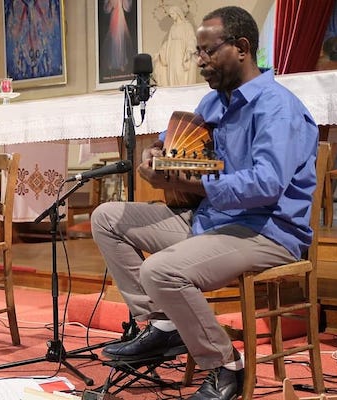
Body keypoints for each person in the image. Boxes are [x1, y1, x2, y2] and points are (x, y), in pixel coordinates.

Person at [91, 6, 318, 399]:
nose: (200, 61)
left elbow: (266, 185)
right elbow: (176, 139)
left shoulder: (277, 108)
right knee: (106, 218)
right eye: (198, 52)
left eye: (208, 51)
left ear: (242, 48)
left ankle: (226, 365)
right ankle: (165, 325)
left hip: (267, 229)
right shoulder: (215, 102)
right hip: (212, 219)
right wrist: (155, 155)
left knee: (160, 271)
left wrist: (196, 184)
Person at [155, 6, 197, 86]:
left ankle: (182, 89)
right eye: (170, 15)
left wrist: (189, 49)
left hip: (181, 51)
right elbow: (168, 42)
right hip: (172, 53)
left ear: (178, 13)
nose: (172, 16)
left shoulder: (187, 26)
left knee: (179, 71)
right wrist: (162, 52)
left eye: (173, 14)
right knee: (172, 71)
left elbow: (192, 39)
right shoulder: (173, 27)